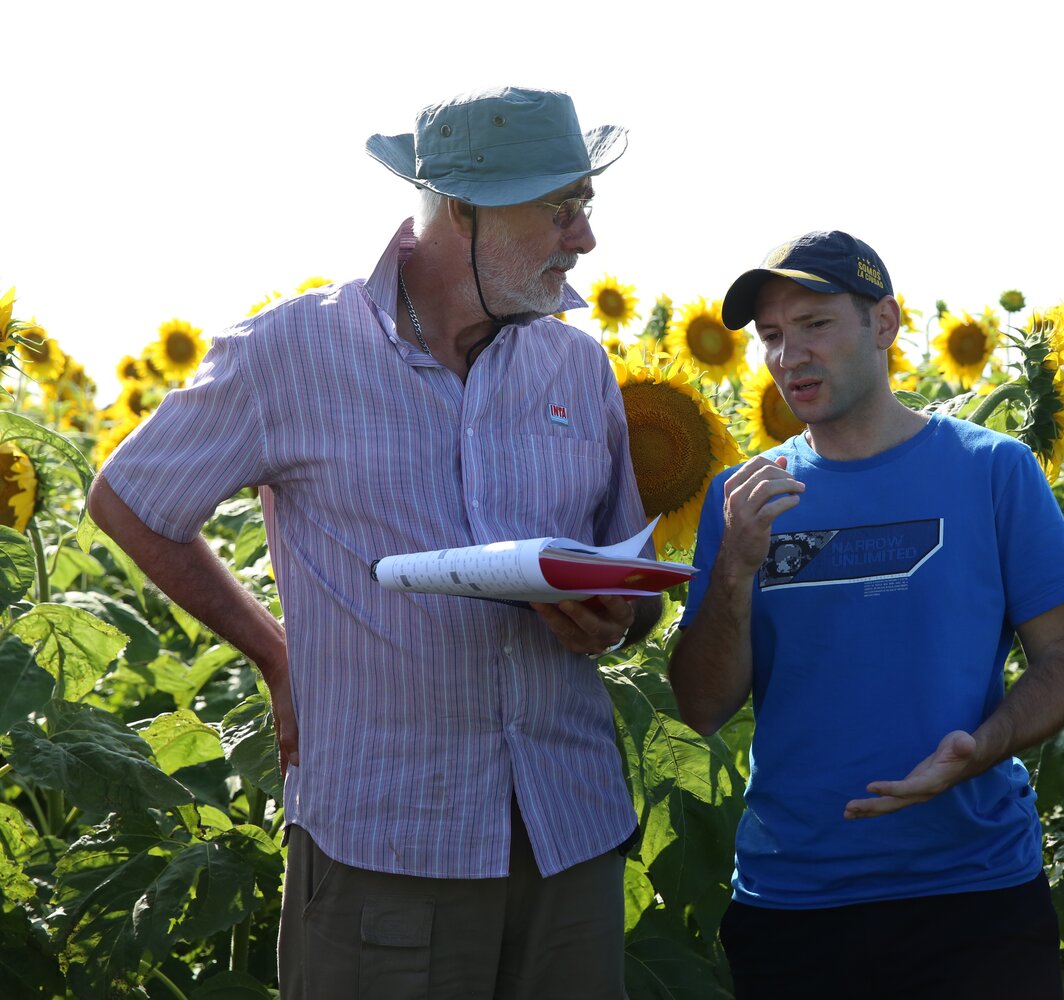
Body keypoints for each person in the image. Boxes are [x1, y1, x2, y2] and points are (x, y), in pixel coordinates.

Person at [87, 86, 660, 999]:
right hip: (391, 839)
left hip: (569, 836)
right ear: (461, 210)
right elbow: (130, 499)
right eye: (560, 209)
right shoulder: (294, 352)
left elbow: (627, 579)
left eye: (585, 206)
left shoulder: (576, 364)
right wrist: (277, 658)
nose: (584, 238)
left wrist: (613, 617)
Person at [668, 231, 1064, 999]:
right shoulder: (742, 500)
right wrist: (734, 566)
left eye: (815, 324)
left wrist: (986, 744)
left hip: (975, 894)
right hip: (796, 899)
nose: (788, 354)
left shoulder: (993, 470)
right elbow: (702, 705)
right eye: (771, 336)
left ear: (885, 324)